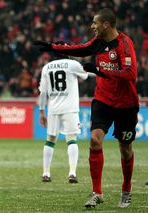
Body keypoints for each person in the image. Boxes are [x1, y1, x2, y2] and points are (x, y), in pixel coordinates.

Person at [35, 8, 139, 209]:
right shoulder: (98, 43)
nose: (92, 26)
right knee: (94, 140)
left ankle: (126, 188)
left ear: (106, 24)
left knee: (125, 149)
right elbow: (80, 49)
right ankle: (97, 192)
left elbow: (131, 74)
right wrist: (52, 47)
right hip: (103, 100)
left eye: (95, 22)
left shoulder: (124, 44)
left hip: (126, 104)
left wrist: (101, 71)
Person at [38, 42, 89, 184]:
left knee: (50, 140)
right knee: (71, 139)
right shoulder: (72, 64)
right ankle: (72, 172)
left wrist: (41, 111)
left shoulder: (46, 67)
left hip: (53, 109)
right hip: (70, 108)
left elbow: (43, 92)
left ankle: (46, 173)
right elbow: (85, 76)